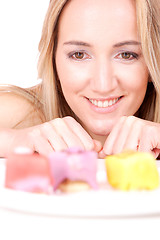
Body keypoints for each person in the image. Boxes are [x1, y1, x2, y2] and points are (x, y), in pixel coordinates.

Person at [0, 0, 160, 159]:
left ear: (153, 61)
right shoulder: (23, 112)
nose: (102, 85)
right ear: (53, 59)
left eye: (126, 55)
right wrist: (11, 140)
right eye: (79, 55)